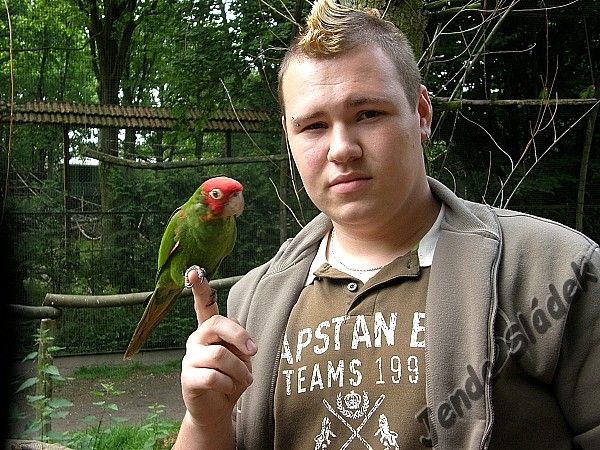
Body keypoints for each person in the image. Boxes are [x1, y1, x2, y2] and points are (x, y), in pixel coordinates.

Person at [172, 0, 600, 448]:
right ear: (289, 137)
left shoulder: (555, 271)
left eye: (369, 114)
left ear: (422, 115)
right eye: (314, 126)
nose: (342, 149)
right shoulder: (252, 302)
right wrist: (205, 421)